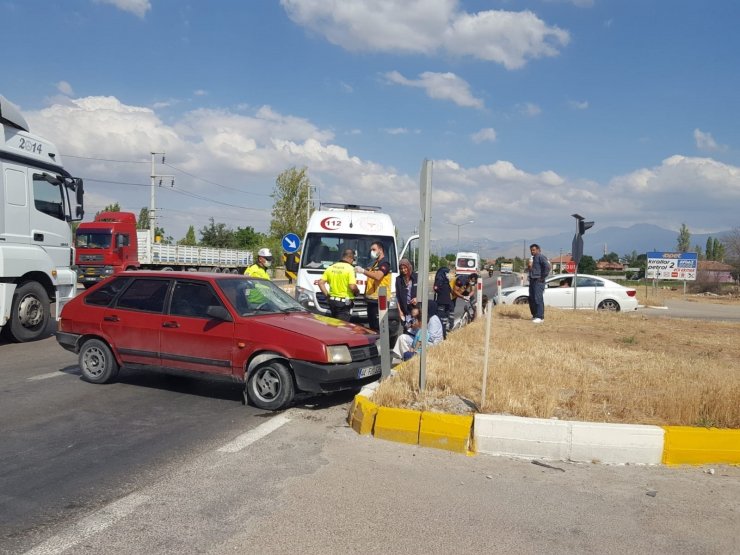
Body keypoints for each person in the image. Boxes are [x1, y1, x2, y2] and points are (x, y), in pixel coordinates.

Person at [317, 249, 359, 322]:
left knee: (334, 324)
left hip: (332, 302)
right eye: (353, 259)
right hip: (344, 303)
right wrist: (357, 292)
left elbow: (320, 283)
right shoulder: (351, 269)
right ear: (350, 258)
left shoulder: (331, 267)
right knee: (342, 327)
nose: (353, 261)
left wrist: (327, 295)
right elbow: (352, 286)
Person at [356, 241, 390, 331]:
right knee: (372, 327)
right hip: (372, 300)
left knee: (379, 328)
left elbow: (378, 276)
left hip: (380, 299)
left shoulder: (385, 263)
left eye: (374, 249)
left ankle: (381, 345)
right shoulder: (375, 264)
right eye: (371, 250)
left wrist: (363, 271)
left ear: (381, 250)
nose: (372, 252)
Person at [527, 243, 551, 323]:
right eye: (531, 250)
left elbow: (547, 267)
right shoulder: (533, 258)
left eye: (533, 250)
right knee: (532, 298)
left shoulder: (541, 257)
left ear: (538, 250)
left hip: (538, 281)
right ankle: (535, 315)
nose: (532, 251)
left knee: (538, 298)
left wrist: (542, 277)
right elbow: (532, 269)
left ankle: (540, 316)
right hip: (532, 280)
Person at [395, 258, 418, 332]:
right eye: (401, 268)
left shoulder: (416, 277)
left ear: (408, 267)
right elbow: (397, 296)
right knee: (406, 329)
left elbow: (423, 291)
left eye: (405, 268)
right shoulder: (398, 280)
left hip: (416, 308)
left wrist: (417, 298)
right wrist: (400, 311)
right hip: (405, 309)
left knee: (416, 328)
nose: (403, 270)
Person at [433, 266, 453, 332]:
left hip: (447, 302)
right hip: (441, 301)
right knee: (441, 317)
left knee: (445, 317)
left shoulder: (446, 281)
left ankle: (445, 330)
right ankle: (442, 331)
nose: (448, 274)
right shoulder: (439, 281)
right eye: (446, 273)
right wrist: (441, 292)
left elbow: (450, 290)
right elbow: (435, 288)